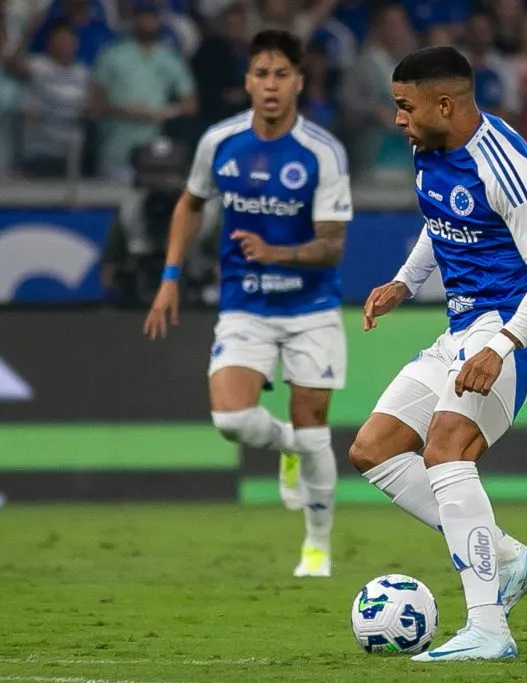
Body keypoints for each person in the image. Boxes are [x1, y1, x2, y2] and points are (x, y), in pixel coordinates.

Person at [349, 45, 527, 661]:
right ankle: (506, 556)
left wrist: (502, 346)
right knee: (373, 449)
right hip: (462, 326)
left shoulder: (506, 166)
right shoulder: (430, 148)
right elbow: (442, 219)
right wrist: (405, 280)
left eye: (405, 106)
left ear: (444, 104)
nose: (398, 119)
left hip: (516, 328)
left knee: (446, 447)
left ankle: (488, 629)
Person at [143, 29, 352, 579]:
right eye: (261, 74)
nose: (271, 85)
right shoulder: (219, 142)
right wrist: (170, 276)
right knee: (231, 419)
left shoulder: (322, 152)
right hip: (245, 305)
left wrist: (277, 253)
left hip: (311, 309)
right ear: (247, 83)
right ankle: (286, 447)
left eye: (282, 74)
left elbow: (333, 245)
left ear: (299, 82)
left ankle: (317, 546)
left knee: (315, 428)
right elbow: (189, 205)